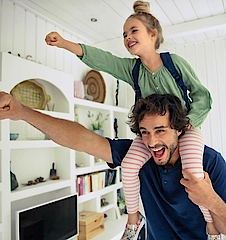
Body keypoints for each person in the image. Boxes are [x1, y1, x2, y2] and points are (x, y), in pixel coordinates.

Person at [45, 1, 213, 239]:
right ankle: (134, 219)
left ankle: (211, 225)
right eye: (124, 34)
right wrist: (64, 43)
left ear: (153, 35)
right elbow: (103, 60)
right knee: (130, 166)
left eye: (134, 31)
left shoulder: (174, 63)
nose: (127, 37)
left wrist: (188, 123)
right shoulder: (131, 70)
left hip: (185, 130)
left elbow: (202, 96)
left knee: (194, 172)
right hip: (150, 134)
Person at [0, 92, 226, 240]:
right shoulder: (140, 156)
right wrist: (22, 112)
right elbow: (81, 139)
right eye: (145, 132)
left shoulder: (210, 163)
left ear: (179, 129)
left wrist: (211, 200)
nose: (152, 142)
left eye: (160, 131)